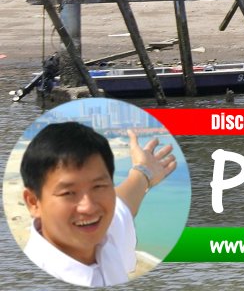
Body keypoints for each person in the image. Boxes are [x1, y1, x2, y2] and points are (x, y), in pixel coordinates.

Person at [20, 122, 177, 287]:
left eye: (98, 186)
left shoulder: (105, 236)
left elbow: (123, 205)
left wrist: (144, 172)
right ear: (33, 202)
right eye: (68, 193)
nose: (88, 207)